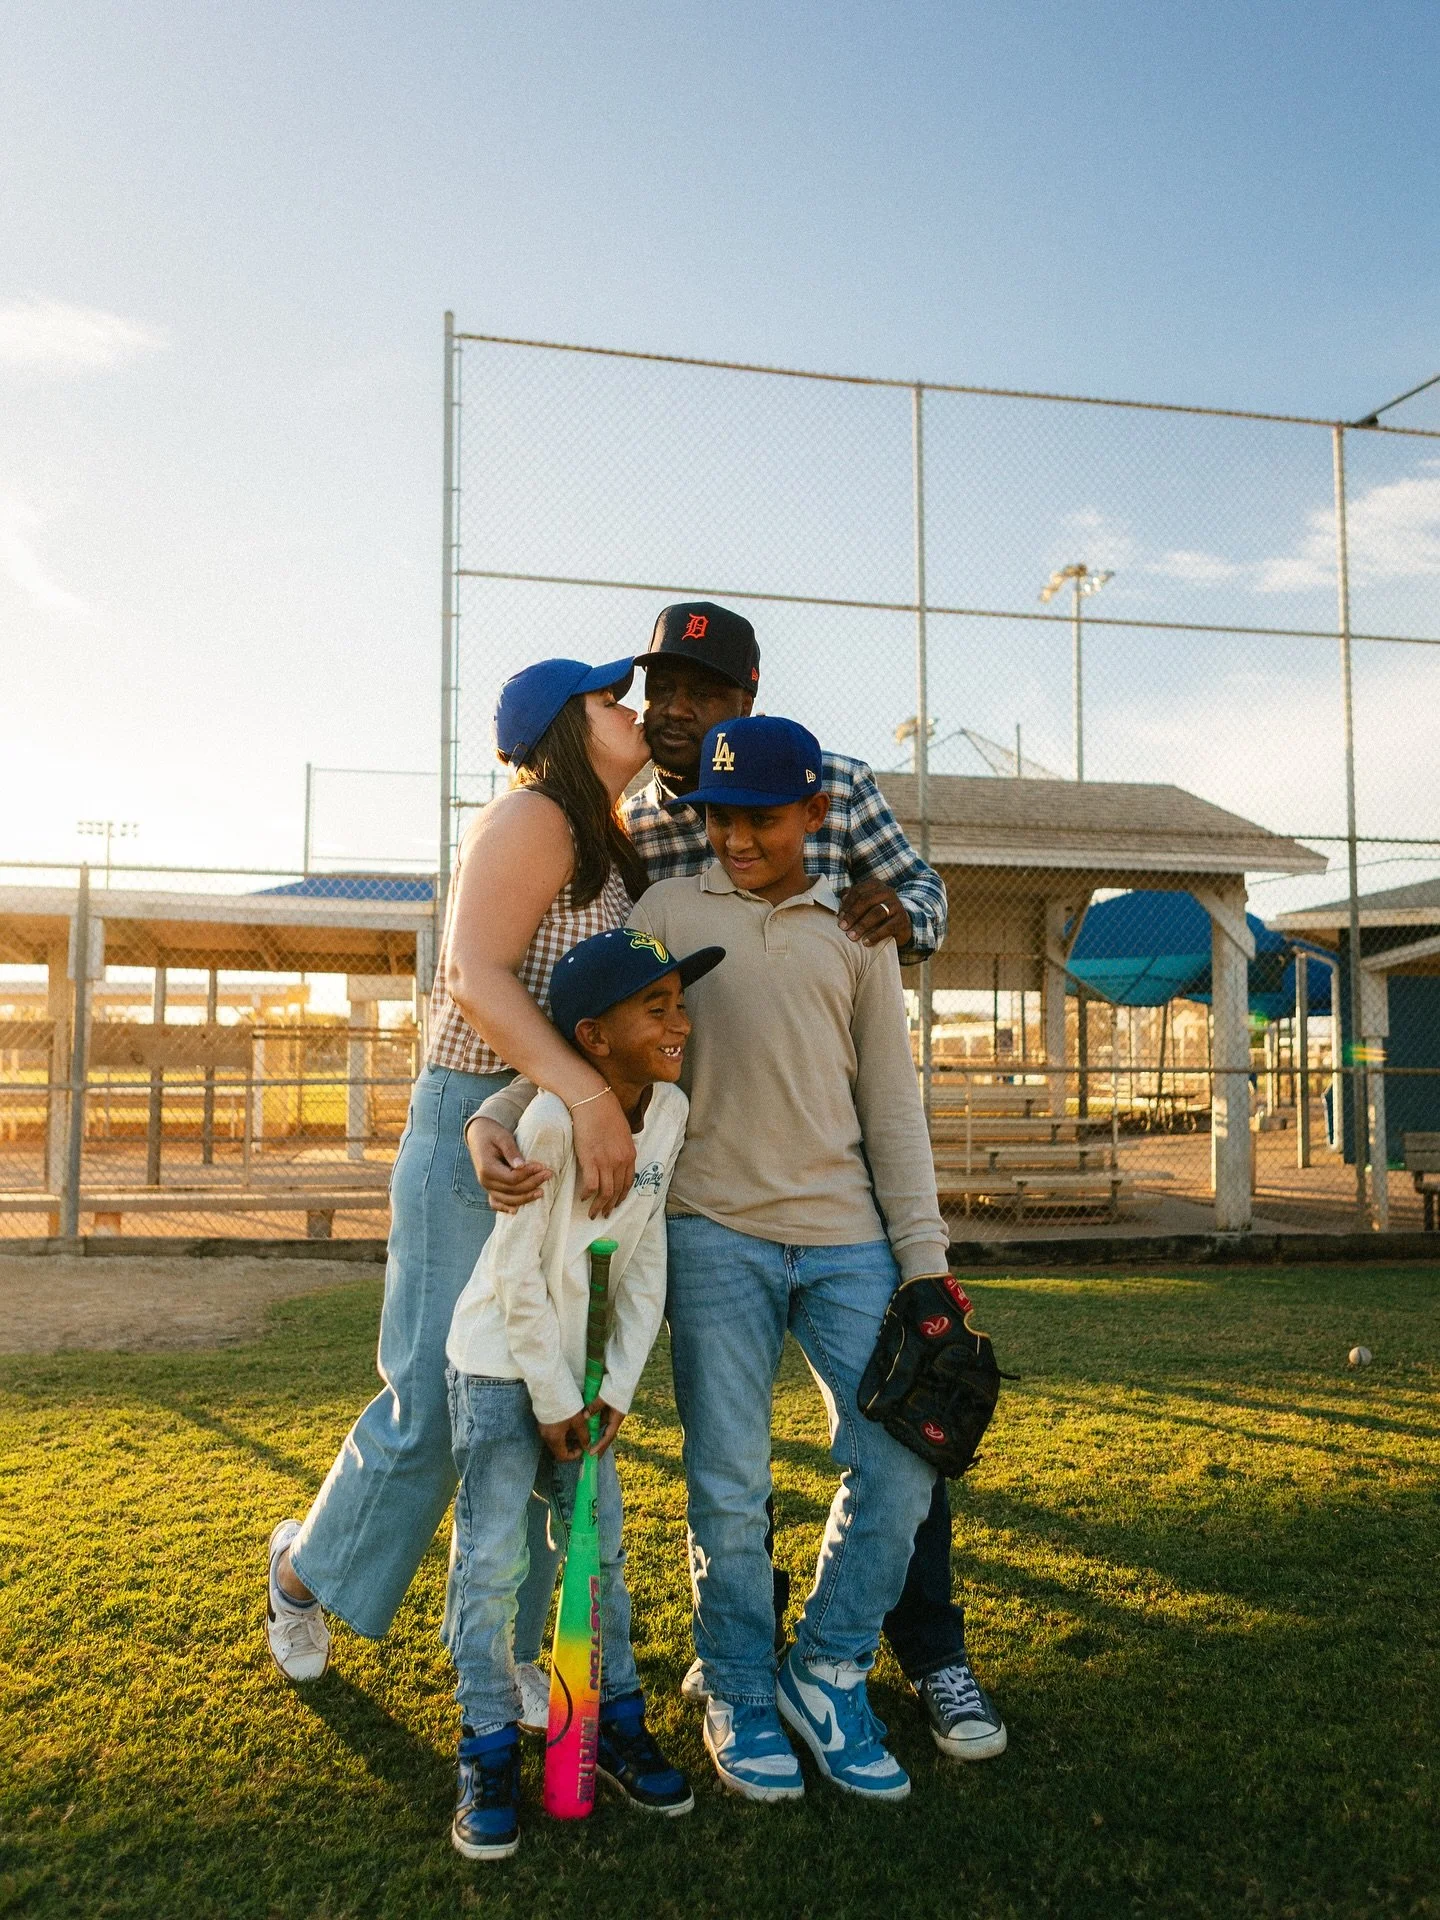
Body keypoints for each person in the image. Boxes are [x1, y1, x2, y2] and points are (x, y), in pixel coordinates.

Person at [475, 603, 1005, 1764]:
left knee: (901, 1449)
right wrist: (501, 1105)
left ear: (752, 707)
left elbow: (918, 917)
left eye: (701, 694)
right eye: (658, 690)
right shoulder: (643, 846)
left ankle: (880, 1657)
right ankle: (739, 1676)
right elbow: (597, 1003)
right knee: (725, 1482)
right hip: (714, 1217)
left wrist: (927, 1263)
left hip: (842, 1216)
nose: (671, 710)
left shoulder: (841, 807)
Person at [264, 653, 651, 1683]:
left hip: (551, 1125)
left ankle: (518, 1653)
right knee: (438, 1399)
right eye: (615, 700)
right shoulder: (532, 816)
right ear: (562, 726)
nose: (639, 710)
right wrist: (586, 1095)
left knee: (537, 1397)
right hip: (469, 1125)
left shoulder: (616, 846)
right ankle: (301, 1572)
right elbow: (471, 975)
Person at [444, 925, 723, 1859]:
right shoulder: (553, 1118)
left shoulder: (672, 1112)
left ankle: (610, 1725)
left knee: (599, 1563)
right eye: (657, 1007)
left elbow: (642, 1262)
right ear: (593, 1035)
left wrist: (615, 1392)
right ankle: (486, 1747)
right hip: (497, 1365)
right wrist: (557, 1396)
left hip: (589, 1382)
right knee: (491, 1566)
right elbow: (518, 1276)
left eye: (680, 1002)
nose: (680, 1020)